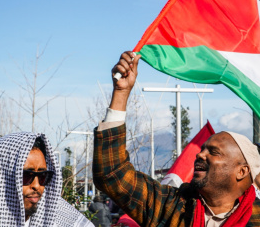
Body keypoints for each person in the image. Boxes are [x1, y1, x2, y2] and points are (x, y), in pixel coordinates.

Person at [93, 51, 260, 226]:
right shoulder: (171, 205)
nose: (200, 155)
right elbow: (112, 174)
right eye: (202, 149)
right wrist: (121, 92)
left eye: (214, 152)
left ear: (242, 171)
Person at [0, 132, 94, 227]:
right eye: (26, 176)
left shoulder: (66, 221)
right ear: (1, 179)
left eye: (43, 176)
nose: (36, 185)